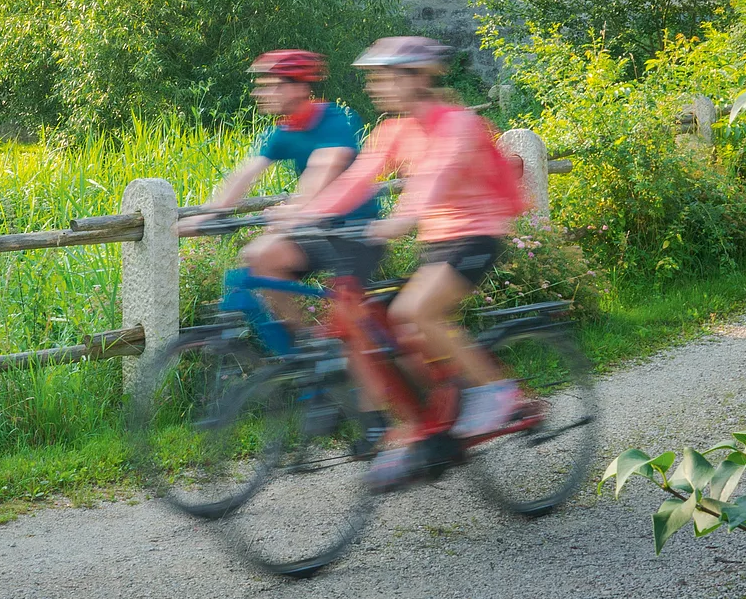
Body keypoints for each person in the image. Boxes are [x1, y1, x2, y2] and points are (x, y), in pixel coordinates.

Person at [289, 35, 528, 489]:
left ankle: (500, 393)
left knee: (412, 311)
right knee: (390, 328)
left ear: (417, 78)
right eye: (373, 77)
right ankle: (431, 421)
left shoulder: (456, 124)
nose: (375, 86)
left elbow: (433, 180)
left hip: (477, 233)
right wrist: (302, 216)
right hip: (435, 243)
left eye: (384, 76)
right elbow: (356, 180)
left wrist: (398, 222)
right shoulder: (392, 129)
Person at [182, 49, 379, 348]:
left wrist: (298, 208)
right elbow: (245, 173)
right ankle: (301, 349)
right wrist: (209, 214)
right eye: (261, 85)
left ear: (300, 88)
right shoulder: (284, 131)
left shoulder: (337, 120)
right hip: (318, 231)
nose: (260, 93)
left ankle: (347, 369)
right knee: (259, 256)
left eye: (272, 85)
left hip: (357, 233)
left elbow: (325, 166)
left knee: (350, 333)